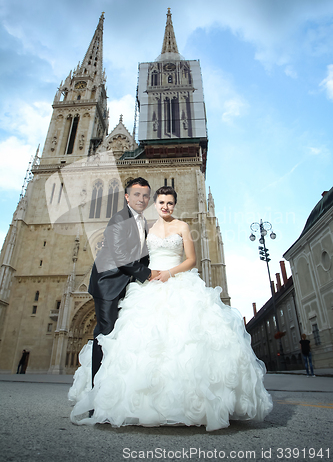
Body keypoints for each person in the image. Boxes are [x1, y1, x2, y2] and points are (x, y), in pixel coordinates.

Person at [69, 186, 273, 430]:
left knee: (184, 338)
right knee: (142, 340)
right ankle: (135, 401)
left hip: (177, 280)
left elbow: (191, 260)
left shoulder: (182, 227)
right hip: (149, 285)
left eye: (170, 203)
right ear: (155, 204)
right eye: (161, 202)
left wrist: (169, 273)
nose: (165, 206)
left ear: (174, 205)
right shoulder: (147, 228)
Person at [87, 177, 159, 387]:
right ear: (127, 197)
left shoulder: (142, 221)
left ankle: (114, 389)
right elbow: (120, 255)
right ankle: (97, 394)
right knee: (105, 334)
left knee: (121, 335)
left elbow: (141, 255)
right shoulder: (119, 218)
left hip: (126, 284)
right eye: (137, 194)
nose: (142, 199)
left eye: (145, 195)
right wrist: (147, 274)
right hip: (108, 283)